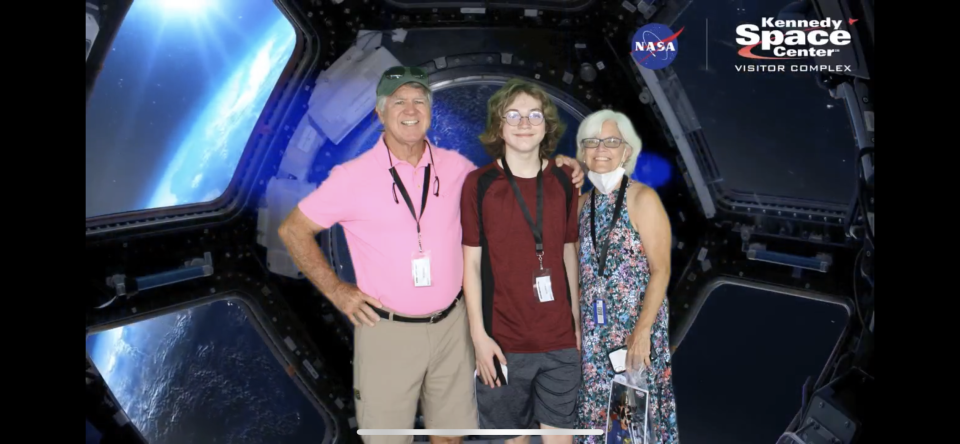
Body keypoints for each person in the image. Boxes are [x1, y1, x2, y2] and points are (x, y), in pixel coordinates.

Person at [278, 66, 583, 444]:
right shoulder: (350, 177)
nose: (410, 109)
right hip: (387, 331)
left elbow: (511, 183)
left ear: (430, 109)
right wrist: (337, 290)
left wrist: (560, 167)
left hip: (453, 328)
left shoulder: (458, 168)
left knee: (450, 435)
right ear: (380, 112)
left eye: (419, 100)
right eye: (399, 101)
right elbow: (293, 230)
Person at [460, 78, 582, 444]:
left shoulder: (564, 180)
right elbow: (471, 267)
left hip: (560, 342)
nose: (524, 123)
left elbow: (567, 254)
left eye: (533, 115)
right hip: (503, 343)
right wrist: (479, 338)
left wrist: (575, 327)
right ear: (499, 125)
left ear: (547, 126)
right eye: (512, 114)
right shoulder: (478, 184)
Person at [573, 110, 679, 443]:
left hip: (634, 337)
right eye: (592, 141)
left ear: (626, 151)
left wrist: (642, 333)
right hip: (595, 336)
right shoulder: (581, 205)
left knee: (631, 430)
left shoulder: (643, 199)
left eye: (611, 141)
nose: (600, 149)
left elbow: (661, 270)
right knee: (594, 423)